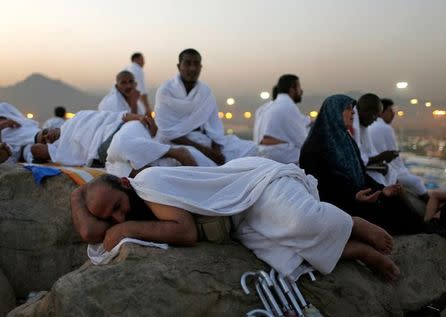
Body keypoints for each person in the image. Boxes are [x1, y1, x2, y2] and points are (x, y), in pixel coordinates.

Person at [72, 157, 400, 282]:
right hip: (239, 220)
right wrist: (77, 197)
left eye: (117, 206)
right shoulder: (131, 203)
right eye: (111, 216)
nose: (119, 216)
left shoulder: (150, 183)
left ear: (125, 184)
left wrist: (124, 227)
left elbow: (185, 232)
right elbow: (91, 232)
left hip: (256, 186)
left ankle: (352, 223)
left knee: (302, 224)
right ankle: (359, 252)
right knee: (286, 256)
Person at [299, 95, 425, 235]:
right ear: (333, 112)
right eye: (347, 108)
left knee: (395, 199)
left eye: (353, 109)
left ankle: (427, 228)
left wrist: (382, 189)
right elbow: (323, 186)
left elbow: (361, 174)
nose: (353, 112)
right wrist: (354, 195)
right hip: (339, 207)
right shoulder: (314, 147)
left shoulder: (347, 140)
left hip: (358, 197)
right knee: (391, 213)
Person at [154, 48, 257, 165]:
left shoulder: (205, 91)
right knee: (196, 158)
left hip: (204, 140)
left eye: (196, 64)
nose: (192, 68)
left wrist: (216, 150)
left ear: (200, 67)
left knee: (251, 147)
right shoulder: (166, 91)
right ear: (179, 66)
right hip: (176, 143)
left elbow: (214, 126)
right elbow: (167, 132)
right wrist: (207, 152)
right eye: (187, 63)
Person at [31, 110, 213, 174]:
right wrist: (44, 145)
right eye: (45, 140)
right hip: (109, 155)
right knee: (126, 173)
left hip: (125, 129)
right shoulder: (61, 150)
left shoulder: (78, 117)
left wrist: (138, 117)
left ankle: (176, 152)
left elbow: (111, 116)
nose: (47, 137)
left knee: (121, 145)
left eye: (45, 132)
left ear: (52, 126)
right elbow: (35, 150)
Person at [368, 98, 428, 199]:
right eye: (390, 111)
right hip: (384, 170)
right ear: (381, 111)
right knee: (416, 181)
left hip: (376, 169)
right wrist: (404, 173)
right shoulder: (385, 128)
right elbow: (395, 157)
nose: (393, 114)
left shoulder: (369, 126)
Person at [253, 75, 310, 164]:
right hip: (277, 156)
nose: (301, 91)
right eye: (299, 87)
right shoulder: (288, 106)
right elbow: (303, 141)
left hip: (261, 153)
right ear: (292, 89)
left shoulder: (264, 107)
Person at [352, 94, 399, 186]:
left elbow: (367, 155)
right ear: (365, 111)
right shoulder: (351, 128)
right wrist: (380, 157)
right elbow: (354, 161)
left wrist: (382, 159)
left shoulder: (363, 127)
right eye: (374, 116)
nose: (375, 120)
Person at [98, 70, 157, 136]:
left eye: (131, 81)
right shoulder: (111, 102)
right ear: (117, 86)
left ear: (135, 84)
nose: (128, 86)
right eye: (123, 83)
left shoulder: (136, 99)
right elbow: (130, 130)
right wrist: (133, 102)